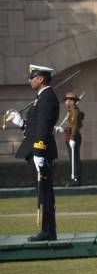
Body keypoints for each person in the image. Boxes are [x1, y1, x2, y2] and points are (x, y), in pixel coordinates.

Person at [7, 65, 60, 242]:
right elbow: (35, 126)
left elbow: (44, 126)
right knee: (42, 190)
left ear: (41, 79)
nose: (29, 80)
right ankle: (48, 230)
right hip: (38, 149)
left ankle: (48, 231)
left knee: (44, 191)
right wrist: (21, 123)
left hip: (40, 151)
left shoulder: (46, 97)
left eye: (32, 77)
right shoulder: (42, 97)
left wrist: (38, 150)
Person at [54, 92, 84, 186]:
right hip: (69, 135)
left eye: (67, 100)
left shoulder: (74, 111)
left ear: (72, 101)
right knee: (73, 159)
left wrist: (72, 138)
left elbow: (75, 126)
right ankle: (74, 178)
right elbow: (70, 126)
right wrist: (62, 129)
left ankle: (75, 179)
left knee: (74, 159)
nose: (65, 102)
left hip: (73, 137)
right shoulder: (70, 111)